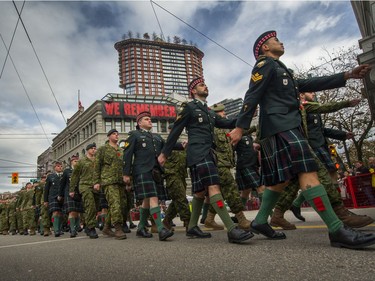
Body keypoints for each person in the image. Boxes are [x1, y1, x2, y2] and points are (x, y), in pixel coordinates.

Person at [229, 30, 375, 249]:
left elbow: (309, 83)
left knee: (280, 181)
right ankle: (336, 229)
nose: (281, 41)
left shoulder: (281, 69)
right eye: (276, 40)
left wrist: (347, 75)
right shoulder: (264, 65)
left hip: (286, 127)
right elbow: (252, 95)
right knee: (308, 171)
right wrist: (240, 128)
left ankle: (259, 221)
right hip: (280, 125)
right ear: (265, 48)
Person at [158, 77, 253, 244]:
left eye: (205, 84)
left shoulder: (209, 111)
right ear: (193, 91)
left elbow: (226, 122)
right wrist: (164, 154)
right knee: (213, 187)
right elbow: (176, 130)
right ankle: (232, 229)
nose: (205, 86)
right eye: (201, 85)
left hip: (208, 153)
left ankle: (193, 226)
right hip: (197, 152)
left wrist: (246, 114)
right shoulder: (189, 107)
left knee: (200, 193)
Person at [271, 92, 374, 229]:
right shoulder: (297, 108)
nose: (312, 93)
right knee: (323, 179)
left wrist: (341, 134)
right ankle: (340, 214)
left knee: (297, 183)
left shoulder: (306, 108)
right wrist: (346, 103)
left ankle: (279, 214)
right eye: (309, 92)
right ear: (300, 94)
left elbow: (320, 129)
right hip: (310, 147)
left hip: (315, 146)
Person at [123, 111, 174, 241]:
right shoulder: (134, 135)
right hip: (142, 170)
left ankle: (140, 228)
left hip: (155, 172)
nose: (150, 121)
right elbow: (127, 155)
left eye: (150, 119)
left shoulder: (156, 137)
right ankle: (161, 229)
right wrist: (126, 173)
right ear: (139, 123)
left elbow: (167, 146)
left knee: (146, 201)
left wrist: (183, 145)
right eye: (146, 119)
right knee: (153, 197)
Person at [205, 103, 251, 231]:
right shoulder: (211, 127)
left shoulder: (226, 128)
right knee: (231, 188)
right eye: (221, 112)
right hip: (218, 163)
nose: (224, 113)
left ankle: (209, 219)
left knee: (222, 193)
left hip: (226, 163)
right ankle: (241, 219)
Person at [93, 129, 127, 240]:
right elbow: (97, 166)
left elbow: (124, 166)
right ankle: (118, 228)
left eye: (117, 134)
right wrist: (96, 181)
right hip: (108, 181)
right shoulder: (103, 149)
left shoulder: (121, 151)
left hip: (120, 181)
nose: (116, 135)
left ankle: (107, 227)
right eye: (114, 134)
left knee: (121, 205)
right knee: (115, 204)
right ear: (108, 136)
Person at [162, 123, 191, 230]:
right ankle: (188, 222)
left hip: (182, 175)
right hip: (172, 176)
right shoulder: (166, 142)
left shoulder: (182, 143)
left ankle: (166, 221)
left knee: (177, 200)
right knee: (181, 199)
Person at [70, 143, 99, 239]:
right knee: (90, 205)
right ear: (88, 150)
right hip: (85, 186)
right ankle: (91, 228)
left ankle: (87, 225)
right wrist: (72, 189)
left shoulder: (97, 160)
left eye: (95, 148)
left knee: (95, 207)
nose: (94, 150)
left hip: (96, 186)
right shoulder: (81, 162)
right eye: (92, 148)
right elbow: (75, 176)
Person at [60, 155, 85, 238]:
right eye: (75, 161)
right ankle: (72, 230)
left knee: (77, 212)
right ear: (71, 162)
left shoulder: (81, 170)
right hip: (69, 193)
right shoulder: (67, 171)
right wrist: (60, 195)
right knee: (72, 211)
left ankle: (76, 227)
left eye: (78, 161)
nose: (76, 163)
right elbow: (62, 184)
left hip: (79, 192)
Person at [44, 161, 64, 237]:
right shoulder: (50, 176)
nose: (60, 167)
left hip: (62, 196)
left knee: (61, 213)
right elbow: (46, 189)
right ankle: (56, 230)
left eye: (61, 166)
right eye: (58, 166)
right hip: (53, 197)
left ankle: (59, 228)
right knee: (55, 212)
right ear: (55, 167)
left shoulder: (64, 175)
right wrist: (45, 200)